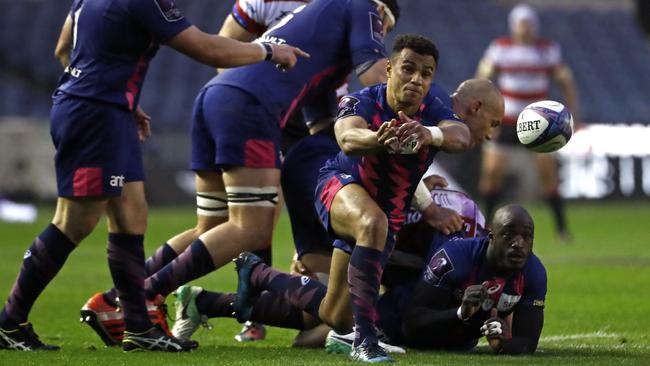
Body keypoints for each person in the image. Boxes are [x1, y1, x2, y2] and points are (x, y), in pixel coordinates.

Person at [80, 0, 400, 347]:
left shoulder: (323, 29)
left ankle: (114, 300)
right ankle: (140, 299)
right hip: (250, 106)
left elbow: (321, 124)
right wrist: (417, 119)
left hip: (217, 95)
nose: (379, 32)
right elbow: (375, 75)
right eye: (384, 25)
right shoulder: (364, 6)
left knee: (214, 226)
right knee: (252, 227)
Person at [0, 0, 305, 352]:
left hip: (105, 110)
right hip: (95, 115)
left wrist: (114, 95)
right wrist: (267, 50)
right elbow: (207, 49)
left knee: (132, 217)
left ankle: (139, 328)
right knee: (74, 221)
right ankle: (10, 321)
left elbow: (63, 47)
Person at [234, 34, 503, 363]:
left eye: (426, 73)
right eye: (408, 69)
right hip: (338, 185)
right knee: (371, 222)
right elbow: (348, 138)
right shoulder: (362, 101)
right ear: (389, 69)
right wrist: (380, 138)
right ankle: (365, 341)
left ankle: (256, 273)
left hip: (388, 212)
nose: (417, 79)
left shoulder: (436, 108)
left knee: (335, 314)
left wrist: (426, 133)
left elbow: (459, 136)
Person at [475, 4, 579, 242]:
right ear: (514, 26)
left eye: (528, 23)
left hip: (539, 122)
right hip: (506, 121)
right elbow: (482, 80)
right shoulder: (500, 48)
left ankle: (561, 229)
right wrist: (487, 115)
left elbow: (566, 81)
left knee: (548, 174)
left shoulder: (547, 50)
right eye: (521, 24)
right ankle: (486, 227)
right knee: (492, 172)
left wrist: (571, 114)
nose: (525, 28)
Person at [384, 204, 546, 355]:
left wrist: (502, 344)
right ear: (492, 237)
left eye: (526, 236)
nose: (519, 243)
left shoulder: (534, 272)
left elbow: (528, 342)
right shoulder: (454, 257)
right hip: (395, 324)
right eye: (508, 235)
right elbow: (411, 326)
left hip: (460, 342)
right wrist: (461, 312)